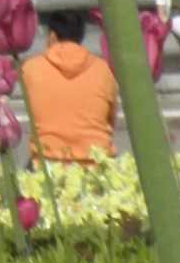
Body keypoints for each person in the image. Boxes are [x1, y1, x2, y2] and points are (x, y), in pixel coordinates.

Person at [19, 9, 118, 163]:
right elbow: (110, 118)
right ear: (81, 36)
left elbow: (33, 113)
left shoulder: (30, 68)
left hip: (47, 161)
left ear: (52, 35)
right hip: (96, 161)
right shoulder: (103, 69)